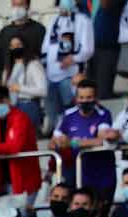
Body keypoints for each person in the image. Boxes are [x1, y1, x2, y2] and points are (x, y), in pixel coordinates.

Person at [42, 0, 94, 130]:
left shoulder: (83, 20)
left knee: (71, 110)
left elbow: (88, 49)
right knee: (53, 114)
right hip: (51, 76)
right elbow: (45, 47)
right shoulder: (54, 20)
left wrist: (74, 58)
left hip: (71, 76)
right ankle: (56, 136)